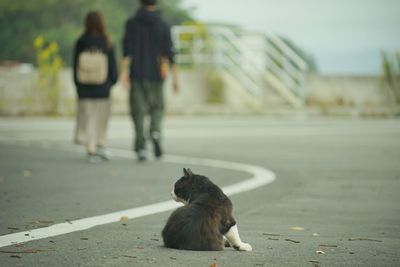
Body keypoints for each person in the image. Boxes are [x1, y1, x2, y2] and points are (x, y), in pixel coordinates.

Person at [120, 0, 179, 161]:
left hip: (137, 73)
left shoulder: (131, 23)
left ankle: (141, 148)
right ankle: (155, 131)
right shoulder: (163, 25)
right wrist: (175, 78)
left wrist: (123, 73)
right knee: (157, 107)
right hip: (157, 74)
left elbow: (127, 50)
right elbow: (170, 52)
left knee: (138, 111)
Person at [73, 11, 118, 163]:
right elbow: (113, 66)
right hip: (103, 88)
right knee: (101, 119)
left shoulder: (81, 41)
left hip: (84, 88)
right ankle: (100, 145)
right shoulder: (106, 41)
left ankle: (90, 149)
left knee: (88, 119)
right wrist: (111, 82)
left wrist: (78, 85)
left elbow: (75, 66)